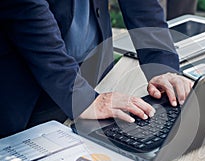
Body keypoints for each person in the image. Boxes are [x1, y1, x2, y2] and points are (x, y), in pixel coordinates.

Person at [0, 0, 193, 137]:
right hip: (27, 83)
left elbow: (142, 6)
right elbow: (26, 11)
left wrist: (162, 65)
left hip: (93, 73)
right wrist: (81, 98)